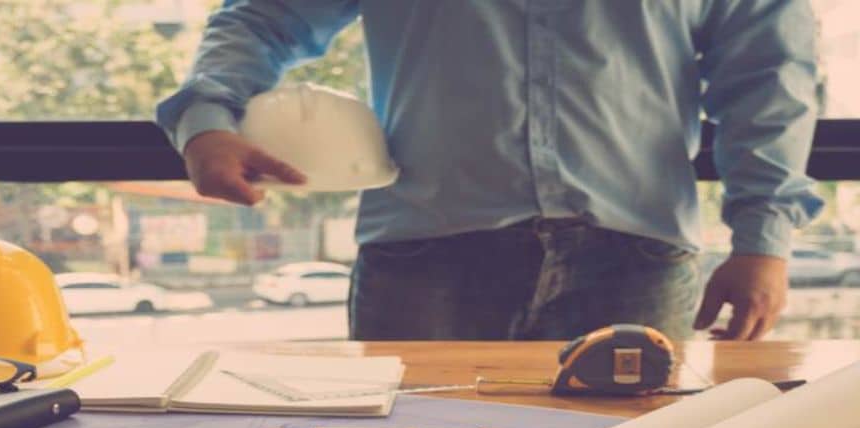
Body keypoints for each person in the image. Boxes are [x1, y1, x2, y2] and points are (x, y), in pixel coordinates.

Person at [156, 1, 822, 342]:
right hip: (424, 259)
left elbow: (768, 74)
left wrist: (764, 239)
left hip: (637, 259)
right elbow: (262, 18)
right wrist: (208, 119)